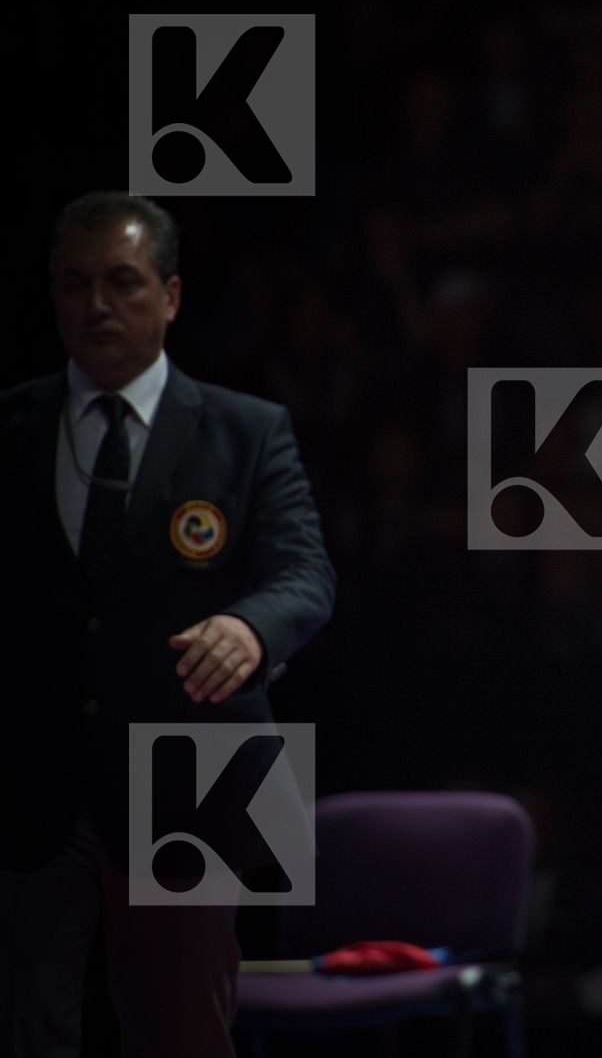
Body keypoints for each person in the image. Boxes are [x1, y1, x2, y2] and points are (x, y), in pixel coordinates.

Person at [0, 192, 337, 1058]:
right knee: (27, 1027)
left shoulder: (247, 428)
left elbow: (305, 573)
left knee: (183, 1031)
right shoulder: (10, 426)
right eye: (74, 284)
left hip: (189, 767)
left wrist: (252, 629)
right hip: (36, 774)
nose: (97, 305)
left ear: (172, 295)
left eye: (122, 281)